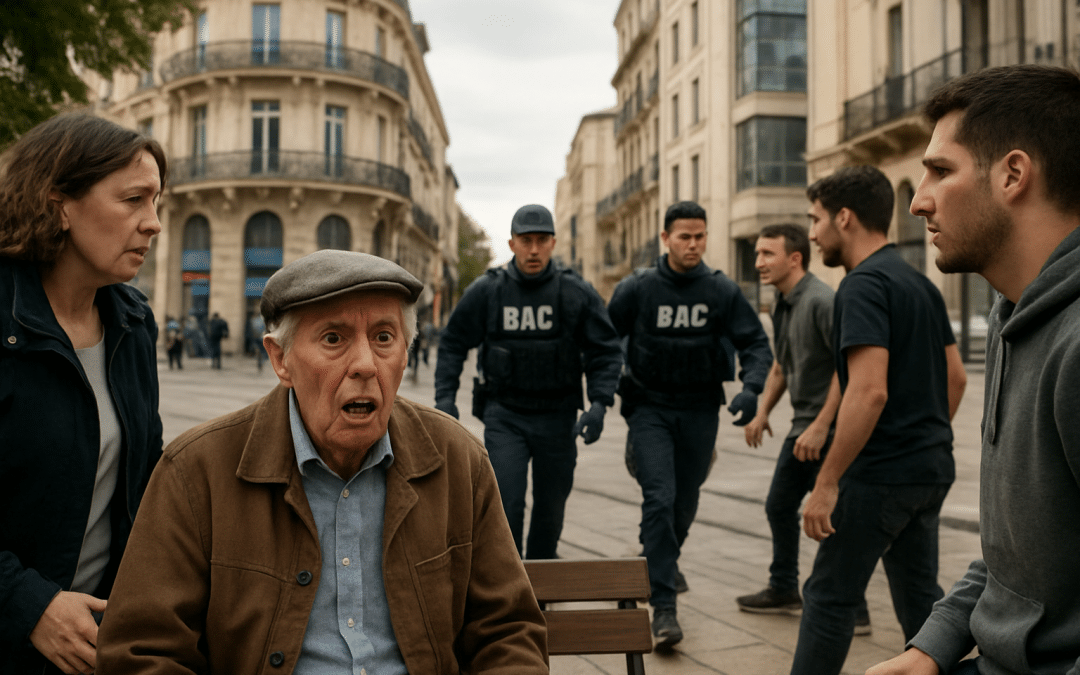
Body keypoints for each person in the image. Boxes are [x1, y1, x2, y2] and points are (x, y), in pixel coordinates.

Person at [97, 250, 548, 674]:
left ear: (406, 353)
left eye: (384, 338)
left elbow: (508, 630)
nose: (366, 365)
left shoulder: (456, 458)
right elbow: (143, 652)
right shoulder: (196, 471)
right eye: (334, 339)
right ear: (281, 359)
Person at [867, 65, 1080, 675]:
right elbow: (1018, 558)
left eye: (940, 170)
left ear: (1013, 173)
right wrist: (930, 647)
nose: (917, 199)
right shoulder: (1015, 315)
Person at [0, 113, 166, 675]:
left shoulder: (132, 323)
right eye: (134, 200)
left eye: (158, 202)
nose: (154, 223)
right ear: (59, 203)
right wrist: (28, 604)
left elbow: (147, 480)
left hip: (95, 645)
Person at [788, 166, 967, 675]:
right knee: (920, 602)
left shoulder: (860, 286)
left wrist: (827, 482)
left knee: (828, 596)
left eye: (816, 219)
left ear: (844, 218)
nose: (814, 232)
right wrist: (923, 438)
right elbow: (956, 378)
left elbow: (869, 390)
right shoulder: (918, 284)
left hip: (880, 474)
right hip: (929, 469)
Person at [607, 200, 773, 648]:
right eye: (684, 236)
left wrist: (751, 387)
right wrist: (600, 397)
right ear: (665, 238)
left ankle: (656, 559)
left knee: (683, 503)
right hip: (649, 409)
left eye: (700, 236)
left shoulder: (721, 291)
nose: (693, 244)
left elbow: (756, 344)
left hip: (700, 411)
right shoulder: (637, 288)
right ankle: (663, 608)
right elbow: (602, 340)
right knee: (659, 498)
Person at [434, 204, 622, 560]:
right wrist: (445, 398)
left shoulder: (575, 292)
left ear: (553, 243)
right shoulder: (488, 291)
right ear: (512, 243)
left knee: (551, 508)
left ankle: (541, 580)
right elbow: (453, 341)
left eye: (541, 241)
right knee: (507, 501)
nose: (533, 249)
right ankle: (510, 583)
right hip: (506, 415)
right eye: (525, 241)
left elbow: (606, 350)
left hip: (559, 417)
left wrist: (600, 403)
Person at [736, 224, 873, 633]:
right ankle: (783, 588)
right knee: (779, 506)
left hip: (825, 430)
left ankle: (854, 609)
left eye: (766, 254)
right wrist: (762, 413)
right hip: (802, 428)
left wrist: (821, 424)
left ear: (794, 258)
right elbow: (781, 364)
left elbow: (846, 367)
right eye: (757, 254)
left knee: (830, 516)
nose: (758, 262)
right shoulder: (782, 302)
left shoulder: (822, 301)